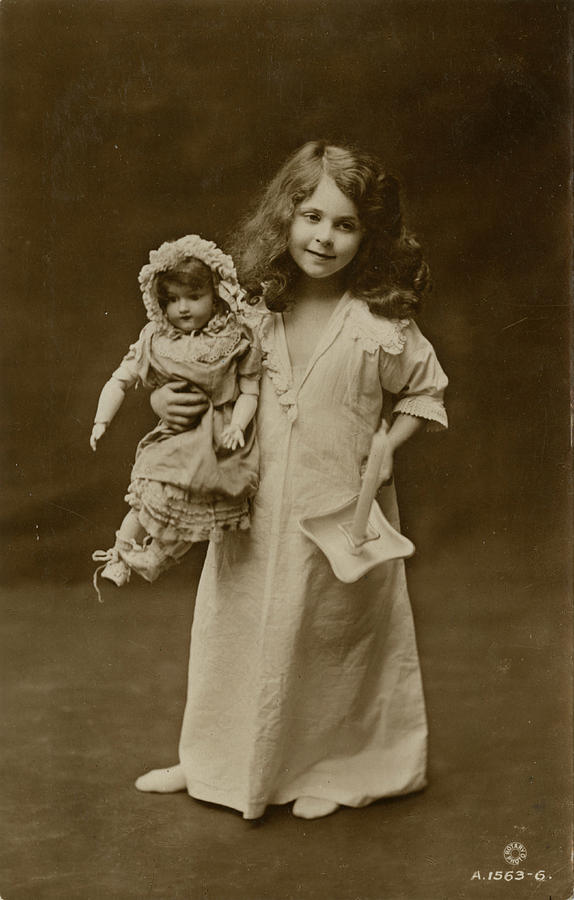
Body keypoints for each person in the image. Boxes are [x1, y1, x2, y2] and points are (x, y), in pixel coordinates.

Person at [135, 141, 448, 820]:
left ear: (369, 236)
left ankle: (332, 768)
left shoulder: (380, 323)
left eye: (345, 225)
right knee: (235, 629)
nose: (325, 238)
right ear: (286, 217)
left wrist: (391, 443)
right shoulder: (246, 312)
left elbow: (425, 394)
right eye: (311, 216)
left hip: (340, 503)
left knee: (334, 638)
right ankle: (212, 761)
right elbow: (180, 366)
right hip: (252, 503)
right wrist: (164, 402)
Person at [90, 234, 260, 592]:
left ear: (216, 293)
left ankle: (158, 556)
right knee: (152, 489)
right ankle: (120, 554)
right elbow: (120, 379)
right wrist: (101, 419)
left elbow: (250, 390)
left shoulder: (236, 337)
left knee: (201, 506)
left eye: (194, 297)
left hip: (220, 439)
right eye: (172, 300)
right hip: (178, 435)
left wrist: (239, 425)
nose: (182, 308)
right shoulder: (156, 339)